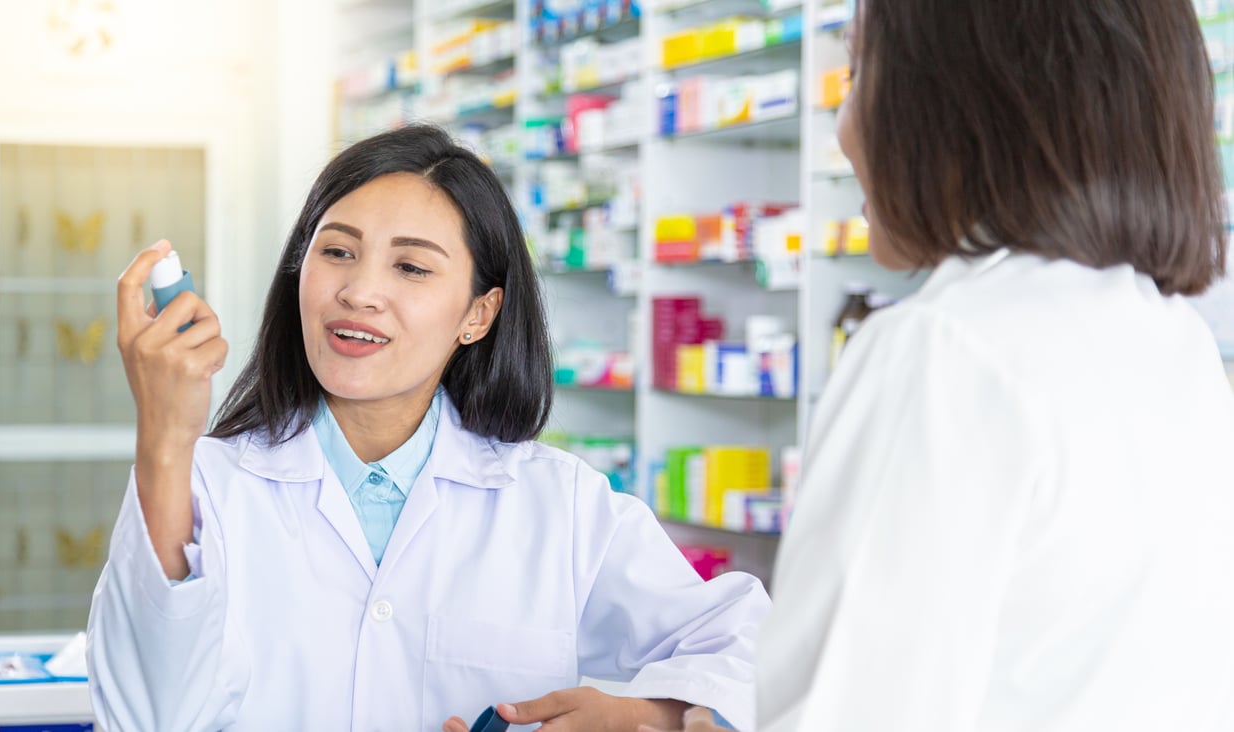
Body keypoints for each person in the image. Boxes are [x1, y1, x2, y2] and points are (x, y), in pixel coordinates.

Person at [644, 1, 1234, 731]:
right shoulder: (1175, 341)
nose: (845, 126)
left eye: (860, 75)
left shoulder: (942, 351)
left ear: (957, 103)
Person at [86, 124, 769, 731]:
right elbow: (146, 716)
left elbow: (747, 641)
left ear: (479, 313)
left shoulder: (558, 505)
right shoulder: (207, 484)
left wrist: (648, 717)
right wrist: (165, 441)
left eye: (410, 266)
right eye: (337, 252)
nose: (359, 291)